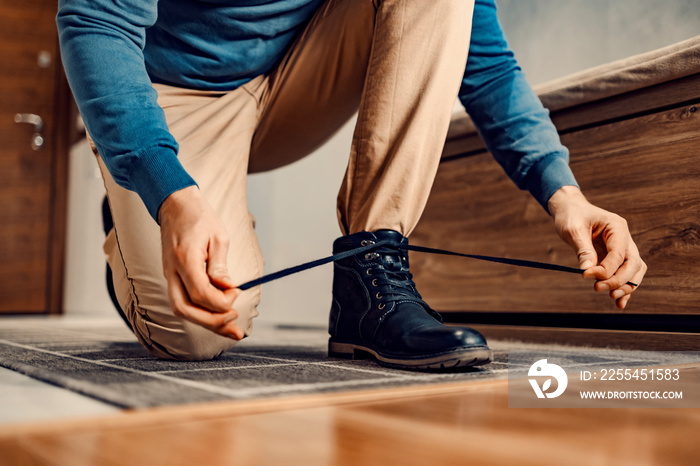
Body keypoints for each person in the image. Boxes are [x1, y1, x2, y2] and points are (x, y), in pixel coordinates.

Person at [57, 0, 647, 369]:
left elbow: (480, 52)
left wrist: (562, 190)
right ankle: (130, 218)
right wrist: (169, 193)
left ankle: (372, 277)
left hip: (297, 73)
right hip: (174, 92)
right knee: (194, 333)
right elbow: (96, 19)